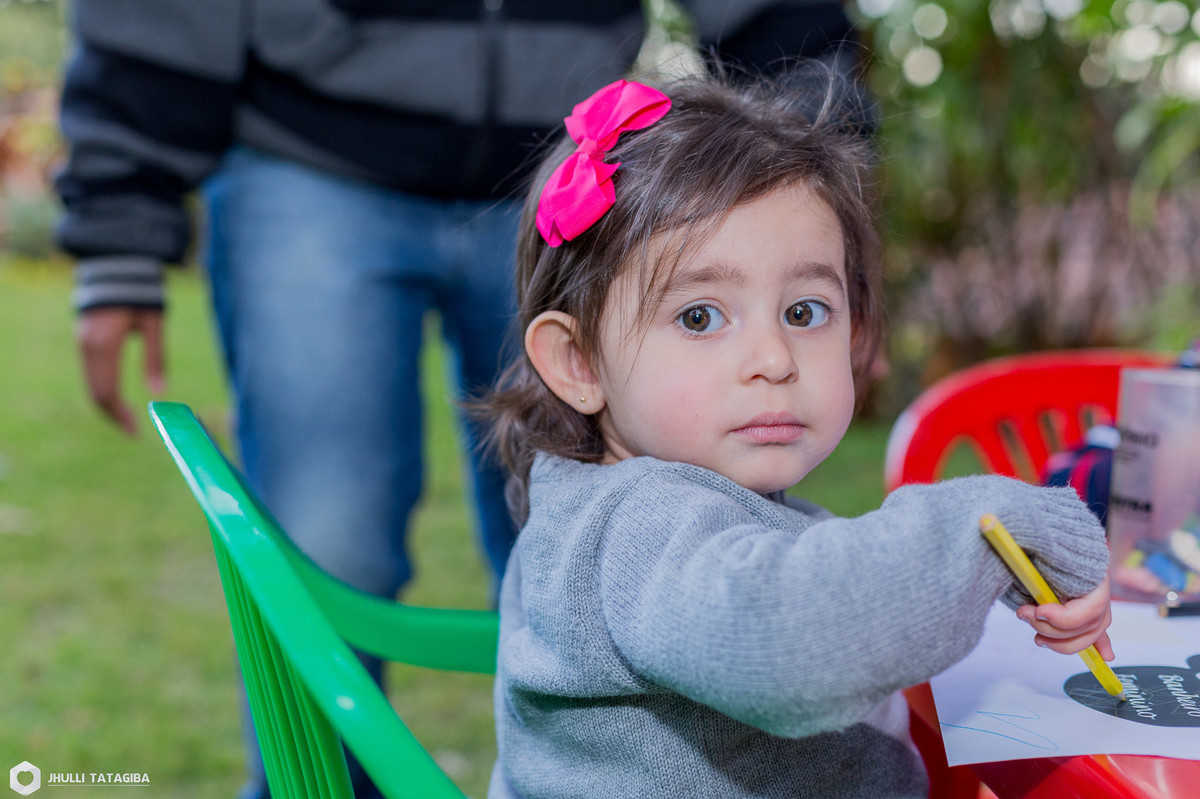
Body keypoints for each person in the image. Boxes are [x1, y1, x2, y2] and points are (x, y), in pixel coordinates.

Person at [53, 3, 873, 796]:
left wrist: (800, 206)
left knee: (594, 535)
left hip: (575, 169)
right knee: (327, 541)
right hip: (309, 155)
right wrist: (120, 217)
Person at [479, 72, 1115, 798]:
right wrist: (986, 528)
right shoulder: (633, 528)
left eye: (806, 311)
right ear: (579, 361)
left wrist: (1004, 573)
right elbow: (793, 641)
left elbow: (813, 584)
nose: (775, 359)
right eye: (700, 317)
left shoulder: (652, 505)